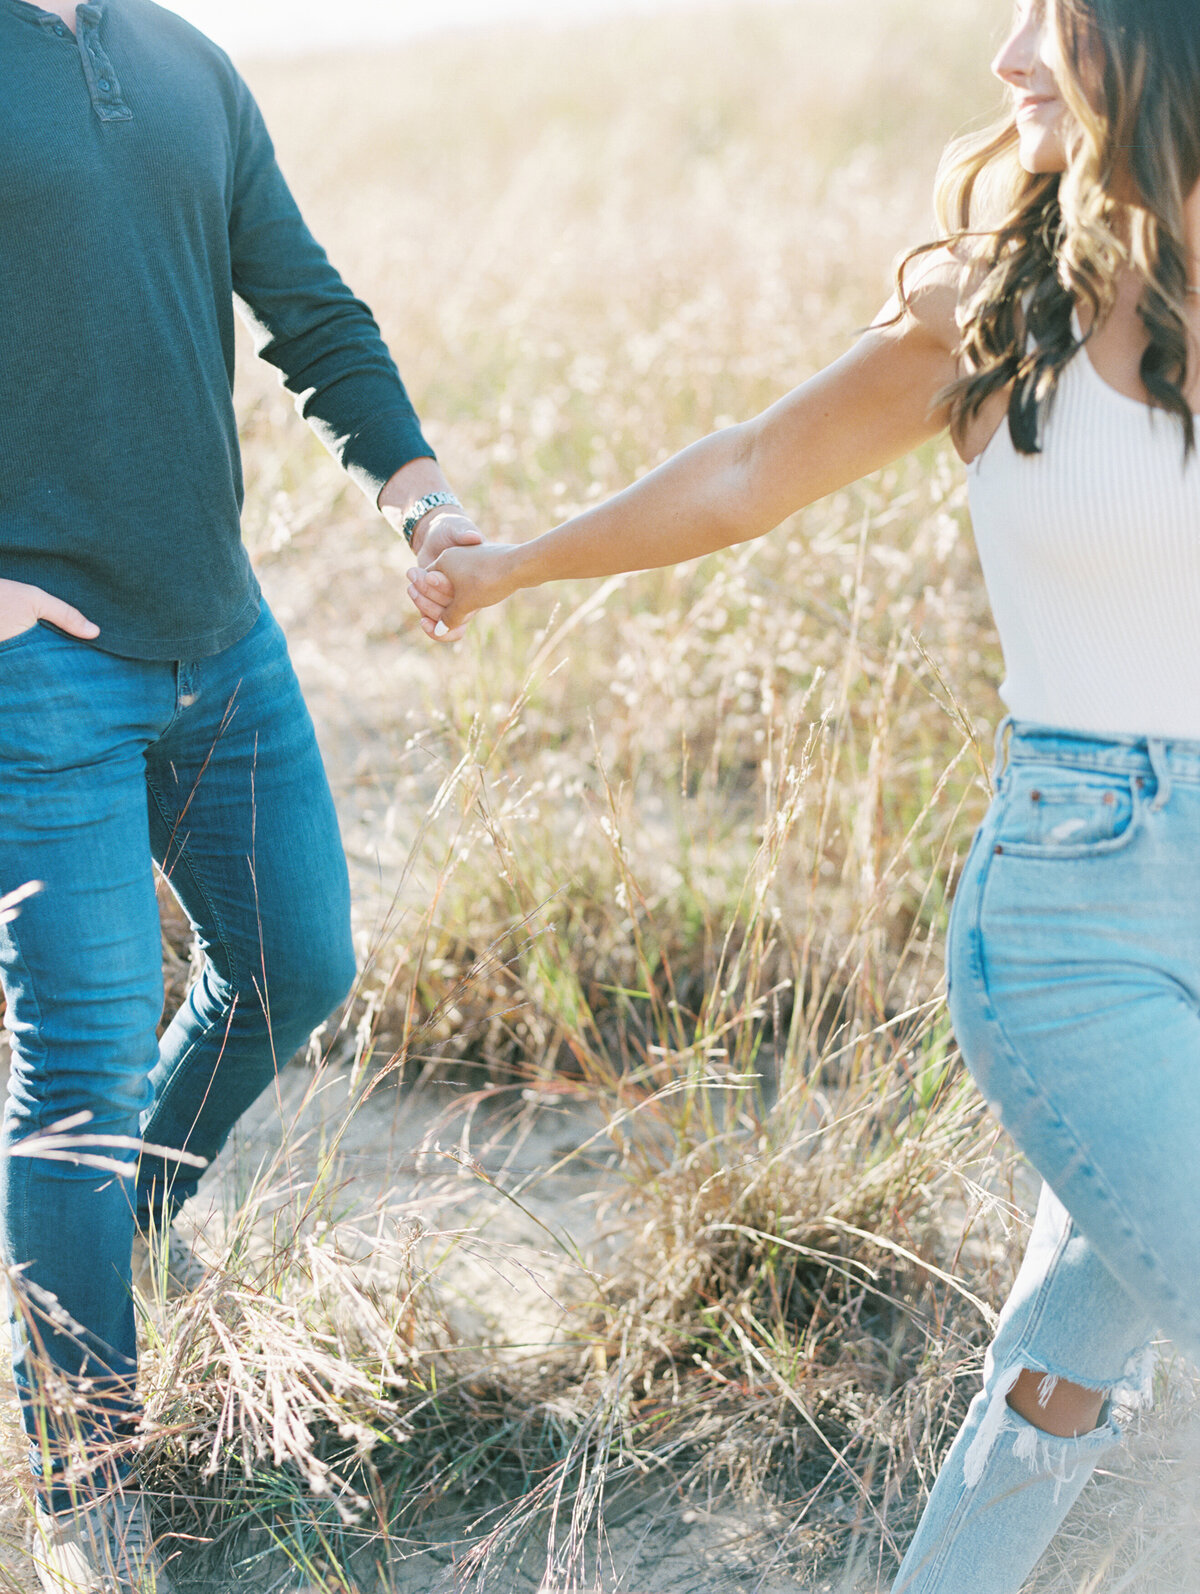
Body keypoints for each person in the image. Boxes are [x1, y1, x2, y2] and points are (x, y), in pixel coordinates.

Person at [407, 0, 1200, 1587]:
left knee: (1062, 1377)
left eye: (1051, 19)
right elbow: (745, 473)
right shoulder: (1003, 310)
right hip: (1076, 918)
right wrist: (512, 567)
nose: (1008, 60)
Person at [0, 1, 484, 1589]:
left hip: (219, 630)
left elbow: (305, 301)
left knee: (297, 961)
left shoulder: (183, 58)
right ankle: (91, 1492)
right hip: (37, 664)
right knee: (72, 1072)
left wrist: (415, 488)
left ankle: (120, 1223)